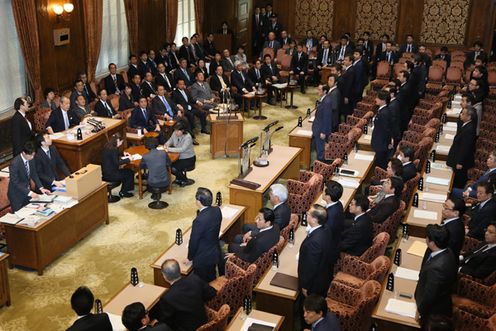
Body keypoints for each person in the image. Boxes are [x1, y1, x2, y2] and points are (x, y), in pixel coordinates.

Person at [415, 224, 457, 326]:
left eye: (427, 237)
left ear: (432, 243)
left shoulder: (437, 268)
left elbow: (430, 294)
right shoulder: (447, 251)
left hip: (433, 312)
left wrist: (420, 310)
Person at [159, 259, 216, 331]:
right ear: (180, 271)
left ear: (164, 276)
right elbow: (212, 292)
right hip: (204, 322)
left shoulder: (167, 298)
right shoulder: (194, 279)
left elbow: (167, 323)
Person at [184, 188, 222, 282]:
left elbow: (194, 241)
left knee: (201, 283)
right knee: (212, 278)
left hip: (203, 258)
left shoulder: (199, 221)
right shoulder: (217, 210)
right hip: (214, 252)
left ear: (199, 202)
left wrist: (190, 257)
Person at [298, 205, 334, 297]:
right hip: (324, 274)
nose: (306, 214)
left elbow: (311, 267)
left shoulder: (314, 242)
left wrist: (305, 286)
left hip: (314, 285)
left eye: (308, 214)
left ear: (314, 220)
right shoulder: (326, 228)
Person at [8, 141, 51, 212]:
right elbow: (15, 182)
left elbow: (33, 173)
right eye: (31, 155)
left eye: (33, 155)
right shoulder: (15, 164)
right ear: (24, 153)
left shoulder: (31, 159)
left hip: (27, 192)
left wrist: (41, 188)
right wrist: (30, 193)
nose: (32, 157)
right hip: (16, 195)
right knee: (21, 217)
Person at [447, 107, 477, 188]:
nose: (460, 114)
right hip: (458, 157)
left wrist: (460, 162)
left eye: (463, 114)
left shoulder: (469, 129)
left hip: (461, 162)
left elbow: (465, 147)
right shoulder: (466, 125)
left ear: (469, 117)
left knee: (458, 180)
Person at [101, 133, 134, 198]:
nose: (121, 143)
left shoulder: (108, 146)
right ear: (118, 140)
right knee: (129, 172)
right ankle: (123, 192)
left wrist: (123, 153)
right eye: (121, 142)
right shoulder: (113, 149)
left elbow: (114, 156)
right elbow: (117, 163)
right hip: (111, 174)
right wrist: (128, 159)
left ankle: (126, 189)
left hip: (106, 172)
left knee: (127, 171)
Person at [371, 90, 394, 170]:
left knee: (380, 166)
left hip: (381, 144)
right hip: (380, 142)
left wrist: (388, 143)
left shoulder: (384, 113)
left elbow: (386, 130)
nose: (376, 99)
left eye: (378, 98)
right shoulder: (382, 110)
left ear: (383, 100)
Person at [312, 84, 333, 161]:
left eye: (319, 90)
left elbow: (327, 118)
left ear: (324, 91)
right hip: (318, 127)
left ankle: (320, 167)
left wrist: (323, 132)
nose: (318, 91)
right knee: (318, 148)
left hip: (320, 130)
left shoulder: (327, 101)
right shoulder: (324, 99)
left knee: (320, 151)